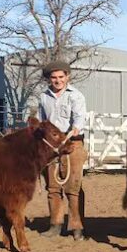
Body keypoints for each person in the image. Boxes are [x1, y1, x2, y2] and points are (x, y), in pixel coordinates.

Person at [36, 60, 88, 240]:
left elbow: (79, 121)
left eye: (60, 77)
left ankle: (77, 227)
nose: (57, 80)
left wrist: (72, 132)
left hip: (72, 144)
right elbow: (41, 121)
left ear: (67, 77)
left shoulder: (76, 96)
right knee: (53, 188)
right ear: (49, 79)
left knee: (73, 188)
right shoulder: (43, 97)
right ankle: (55, 225)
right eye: (54, 77)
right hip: (51, 148)